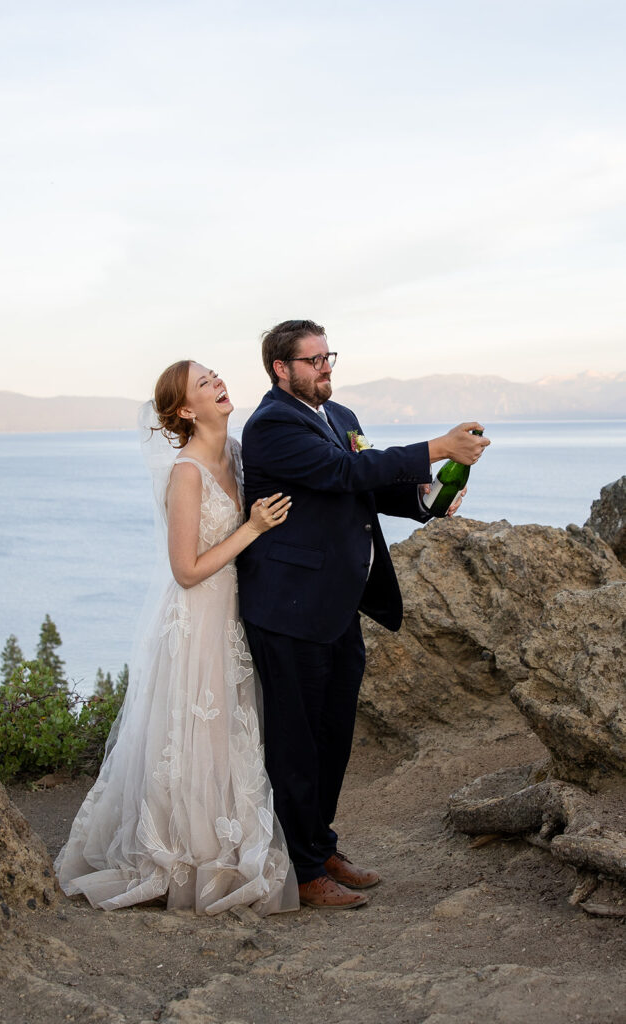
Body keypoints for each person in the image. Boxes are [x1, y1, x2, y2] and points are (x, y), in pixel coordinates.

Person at [238, 319, 490, 910]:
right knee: (296, 744)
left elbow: (366, 487)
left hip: (336, 604)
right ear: (281, 368)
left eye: (330, 356)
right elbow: (343, 473)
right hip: (287, 606)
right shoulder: (270, 424)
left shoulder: (341, 417)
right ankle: (300, 872)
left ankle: (321, 847)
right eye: (314, 360)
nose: (327, 367)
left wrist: (426, 498)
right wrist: (436, 448)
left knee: (334, 737)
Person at [55, 360, 299, 915]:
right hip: (200, 614)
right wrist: (253, 528)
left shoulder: (237, 452)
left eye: (216, 375)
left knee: (234, 731)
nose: (219, 383)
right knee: (200, 734)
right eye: (205, 382)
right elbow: (186, 569)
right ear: (186, 409)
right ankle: (188, 855)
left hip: (240, 609)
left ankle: (228, 840)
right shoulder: (186, 473)